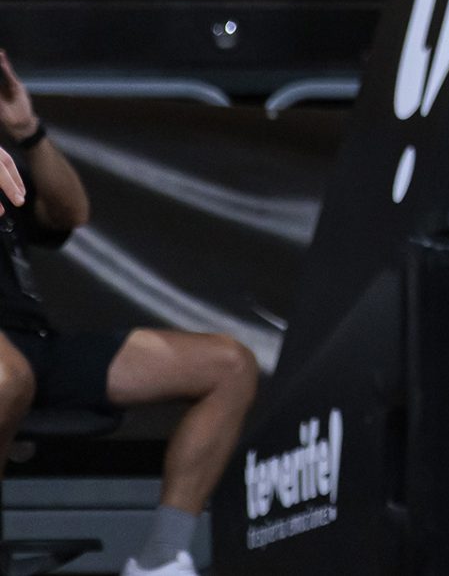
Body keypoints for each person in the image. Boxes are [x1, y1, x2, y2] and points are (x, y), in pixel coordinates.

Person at [0, 50, 259, 576]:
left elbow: (71, 213)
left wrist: (27, 130)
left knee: (229, 366)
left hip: (35, 344)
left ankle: (160, 558)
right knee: (7, 377)